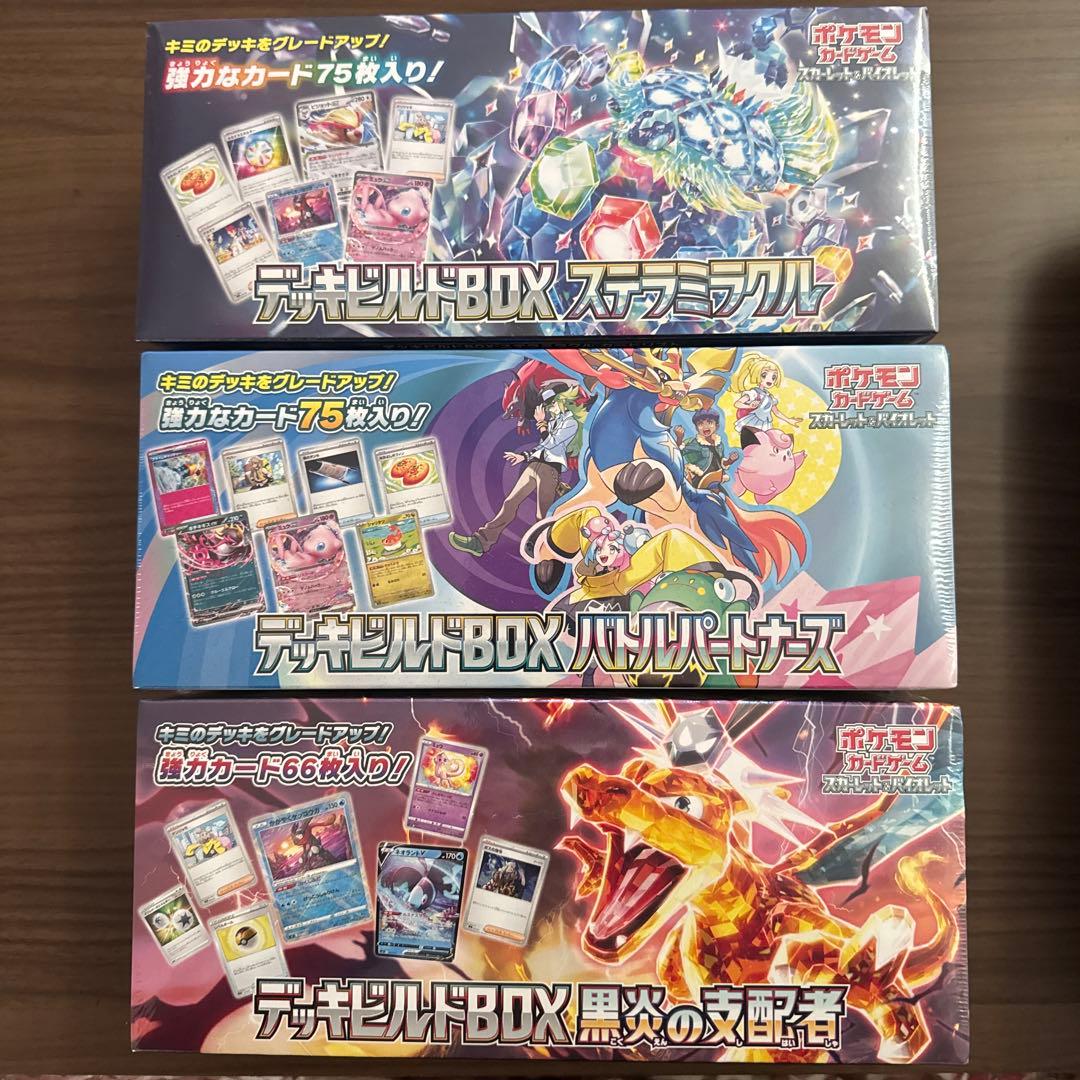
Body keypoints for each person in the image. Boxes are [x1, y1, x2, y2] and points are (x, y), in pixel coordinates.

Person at [449, 387, 579, 557]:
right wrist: (522, 456)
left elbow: (551, 442)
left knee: (542, 515)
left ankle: (547, 553)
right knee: (510, 502)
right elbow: (541, 448)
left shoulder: (571, 423)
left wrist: (541, 423)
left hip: (549, 470)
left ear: (562, 402)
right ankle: (481, 542)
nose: (547, 409)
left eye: (551, 404)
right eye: (546, 405)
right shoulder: (554, 422)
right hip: (534, 466)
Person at [679, 407, 738, 488]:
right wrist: (679, 438)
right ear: (696, 428)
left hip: (714, 478)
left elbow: (720, 462)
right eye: (700, 424)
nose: (705, 426)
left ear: (717, 426)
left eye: (710, 422)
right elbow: (680, 451)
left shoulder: (719, 444)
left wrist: (730, 461)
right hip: (701, 478)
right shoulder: (696, 443)